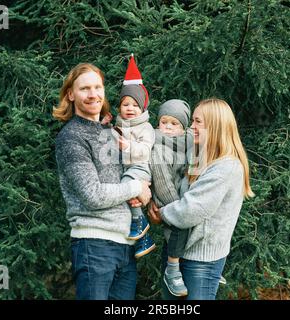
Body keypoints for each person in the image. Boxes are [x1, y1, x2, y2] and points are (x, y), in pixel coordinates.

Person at [53, 62, 151, 300]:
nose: (93, 94)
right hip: (94, 245)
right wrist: (136, 188)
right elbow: (93, 195)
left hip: (126, 246)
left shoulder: (113, 133)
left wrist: (145, 193)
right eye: (85, 88)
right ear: (71, 94)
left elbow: (134, 174)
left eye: (98, 87)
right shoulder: (71, 138)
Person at [148, 98, 254, 300]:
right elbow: (178, 191)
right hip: (179, 254)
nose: (192, 127)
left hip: (200, 262)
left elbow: (190, 209)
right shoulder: (199, 156)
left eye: (198, 122)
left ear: (214, 126)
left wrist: (160, 214)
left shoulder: (226, 167)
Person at [112, 54, 156, 258]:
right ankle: (144, 240)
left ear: (142, 108)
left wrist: (128, 146)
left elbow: (145, 150)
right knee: (129, 195)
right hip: (127, 169)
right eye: (125, 104)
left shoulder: (145, 127)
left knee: (128, 183)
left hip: (140, 169)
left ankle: (139, 223)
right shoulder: (118, 126)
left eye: (135, 105)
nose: (130, 108)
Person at [149, 99, 192, 296]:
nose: (167, 127)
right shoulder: (158, 148)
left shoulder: (188, 145)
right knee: (178, 232)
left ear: (183, 128)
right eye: (163, 122)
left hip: (182, 200)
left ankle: (202, 269)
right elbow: (162, 180)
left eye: (174, 123)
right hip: (167, 200)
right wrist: (177, 206)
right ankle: (172, 270)